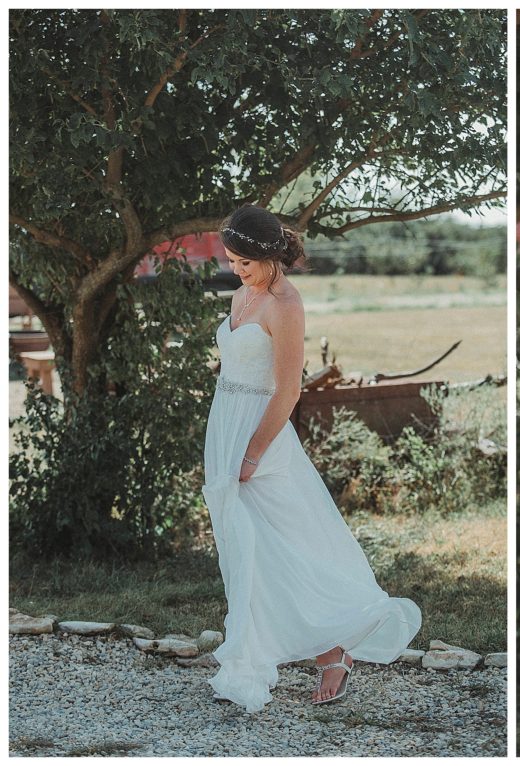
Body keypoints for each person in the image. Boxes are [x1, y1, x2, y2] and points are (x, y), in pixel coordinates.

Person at [202, 204, 421, 713]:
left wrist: (253, 452)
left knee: (290, 543)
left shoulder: (286, 304)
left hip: (263, 433)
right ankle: (255, 654)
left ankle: (334, 647)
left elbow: (288, 390)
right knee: (245, 546)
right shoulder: (243, 293)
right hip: (227, 422)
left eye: (244, 263)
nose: (236, 271)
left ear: (269, 257)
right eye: (232, 262)